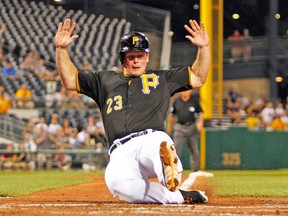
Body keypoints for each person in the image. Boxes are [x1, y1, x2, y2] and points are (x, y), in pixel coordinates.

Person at [55, 18, 210, 204]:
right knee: (120, 187)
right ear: (123, 59)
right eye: (131, 56)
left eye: (140, 55)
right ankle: (179, 196)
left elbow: (198, 77)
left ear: (147, 57)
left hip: (150, 139)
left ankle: (168, 173)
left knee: (160, 147)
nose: (136, 61)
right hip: (120, 150)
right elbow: (70, 80)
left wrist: (204, 48)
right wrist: (61, 50)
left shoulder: (163, 78)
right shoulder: (104, 80)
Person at [166, 90, 203, 172]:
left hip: (192, 126)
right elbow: (172, 115)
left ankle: (196, 168)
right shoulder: (177, 101)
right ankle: (174, 168)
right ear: (180, 92)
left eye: (187, 90)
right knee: (176, 148)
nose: (185, 92)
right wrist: (169, 127)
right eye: (183, 91)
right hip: (180, 127)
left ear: (190, 91)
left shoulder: (194, 100)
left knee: (194, 148)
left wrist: (200, 122)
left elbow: (200, 112)